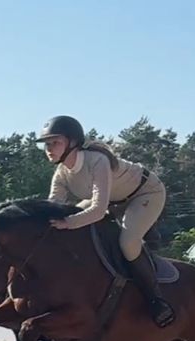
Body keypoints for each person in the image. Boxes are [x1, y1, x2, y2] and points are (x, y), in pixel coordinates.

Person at [35, 115, 175, 328]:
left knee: (128, 243)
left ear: (73, 142)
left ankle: (156, 300)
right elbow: (53, 208)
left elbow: (98, 210)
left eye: (55, 142)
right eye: (47, 144)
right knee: (66, 223)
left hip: (145, 193)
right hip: (113, 201)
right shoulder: (61, 174)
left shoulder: (97, 161)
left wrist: (69, 223)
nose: (49, 148)